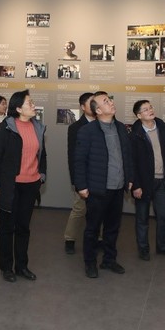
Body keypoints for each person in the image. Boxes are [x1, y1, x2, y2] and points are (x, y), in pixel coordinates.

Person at [74, 91, 134, 278]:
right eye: (106, 101)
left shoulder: (121, 128)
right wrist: (81, 186)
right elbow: (79, 161)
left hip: (118, 187)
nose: (111, 103)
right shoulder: (87, 131)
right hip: (97, 188)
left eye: (110, 100)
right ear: (98, 110)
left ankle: (109, 260)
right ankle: (90, 263)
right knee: (92, 229)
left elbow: (127, 156)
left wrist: (129, 178)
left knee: (113, 228)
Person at [0, 90, 47, 282]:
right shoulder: (7, 126)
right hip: (10, 185)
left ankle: (22, 266)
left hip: (31, 185)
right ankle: (6, 267)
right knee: (7, 228)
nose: (33, 105)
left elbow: (42, 154)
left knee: (23, 227)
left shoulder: (37, 126)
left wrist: (41, 175)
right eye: (30, 102)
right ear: (19, 108)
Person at [130, 100, 165, 260]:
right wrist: (136, 185)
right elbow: (132, 162)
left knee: (164, 216)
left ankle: (162, 246)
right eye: (145, 109)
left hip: (163, 181)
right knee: (142, 218)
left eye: (150, 107)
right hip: (144, 184)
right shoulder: (135, 135)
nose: (150, 110)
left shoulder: (163, 128)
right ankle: (143, 249)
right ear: (139, 116)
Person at [63, 92, 95, 254]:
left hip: (101, 176)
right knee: (79, 209)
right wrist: (76, 181)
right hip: (84, 177)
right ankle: (69, 239)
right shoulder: (75, 127)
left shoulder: (104, 123)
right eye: (91, 103)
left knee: (99, 209)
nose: (95, 106)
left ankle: (99, 239)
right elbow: (73, 156)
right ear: (83, 107)